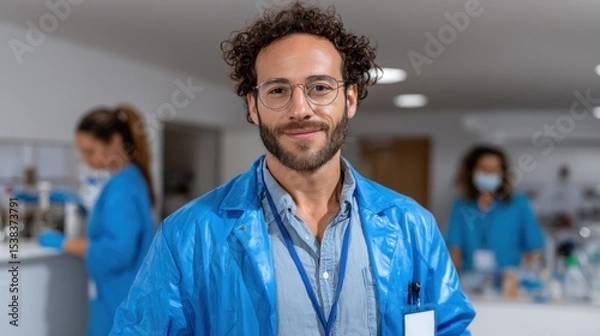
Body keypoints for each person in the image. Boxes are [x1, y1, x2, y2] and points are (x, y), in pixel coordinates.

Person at [111, 2, 475, 335]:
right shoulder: (189, 235)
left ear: (349, 99)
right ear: (253, 106)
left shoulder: (412, 226)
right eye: (278, 90)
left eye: (319, 87)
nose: (300, 108)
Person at [39, 105, 156, 336]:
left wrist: (63, 242)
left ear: (114, 141)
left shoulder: (121, 186)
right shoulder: (129, 178)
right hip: (123, 297)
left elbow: (117, 251)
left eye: (90, 151)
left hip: (118, 300)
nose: (85, 159)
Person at [445, 145, 545, 274]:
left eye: (495, 170)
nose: (489, 174)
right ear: (471, 171)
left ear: (503, 173)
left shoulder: (518, 204)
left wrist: (525, 276)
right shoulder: (461, 206)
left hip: (509, 283)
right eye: (484, 169)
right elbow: (454, 248)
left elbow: (534, 247)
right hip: (470, 282)